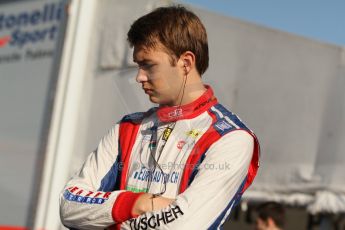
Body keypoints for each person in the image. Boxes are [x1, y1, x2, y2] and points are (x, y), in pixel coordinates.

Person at [59, 5, 260, 230]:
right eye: (138, 65)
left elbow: (184, 226)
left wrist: (105, 220)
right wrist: (140, 203)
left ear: (186, 62)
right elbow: (69, 204)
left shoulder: (230, 138)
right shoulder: (128, 128)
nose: (139, 77)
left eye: (149, 65)